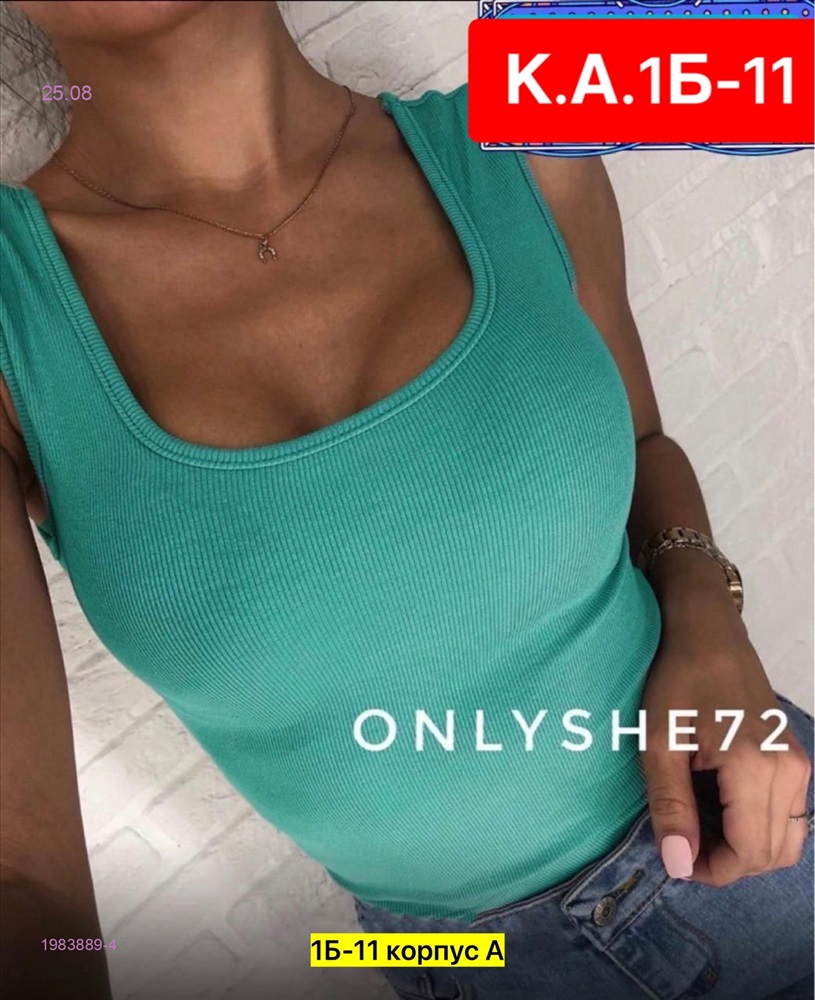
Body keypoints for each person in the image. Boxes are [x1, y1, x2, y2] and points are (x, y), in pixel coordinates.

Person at [0, 3, 811, 999]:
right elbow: (25, 880)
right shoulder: (13, 312)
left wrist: (707, 615)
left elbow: (643, 443)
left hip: (759, 833)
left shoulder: (523, 148)